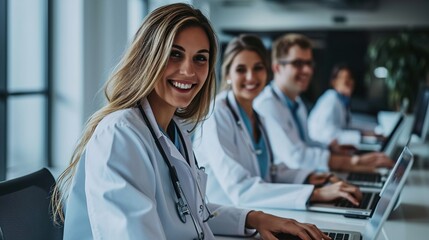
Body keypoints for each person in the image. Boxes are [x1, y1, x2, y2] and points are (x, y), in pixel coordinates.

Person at [51, 4, 331, 240]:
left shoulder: (174, 130)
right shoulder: (120, 134)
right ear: (149, 57)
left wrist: (255, 218)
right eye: (175, 54)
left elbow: (191, 212)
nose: (188, 71)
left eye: (200, 59)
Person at [193, 34, 362, 211]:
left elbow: (270, 171)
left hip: (255, 213)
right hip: (221, 222)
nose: (251, 77)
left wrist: (312, 177)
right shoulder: (216, 114)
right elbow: (241, 189)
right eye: (241, 70)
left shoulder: (257, 116)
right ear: (228, 74)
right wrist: (315, 194)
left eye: (258, 68)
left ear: (266, 73)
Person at [253, 33, 394, 173]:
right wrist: (352, 162)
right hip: (288, 185)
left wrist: (328, 147)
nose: (307, 70)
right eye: (298, 63)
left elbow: (306, 143)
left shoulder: (297, 103)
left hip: (304, 176)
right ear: (277, 68)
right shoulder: (267, 105)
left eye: (309, 63)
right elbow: (296, 157)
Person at [308, 63, 356, 145]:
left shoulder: (342, 101)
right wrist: (359, 137)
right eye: (343, 78)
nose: (347, 82)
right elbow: (328, 134)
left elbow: (346, 126)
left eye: (349, 78)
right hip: (320, 147)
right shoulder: (330, 100)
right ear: (334, 82)